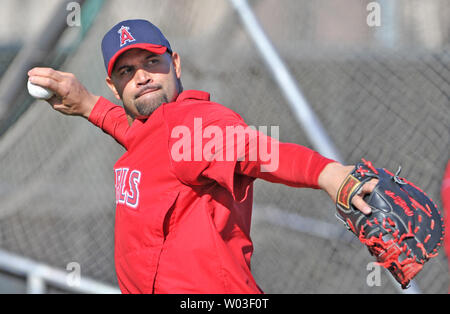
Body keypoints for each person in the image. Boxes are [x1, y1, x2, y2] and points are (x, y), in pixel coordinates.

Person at [27, 19, 376, 294]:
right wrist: (88, 104)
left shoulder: (195, 123)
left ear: (175, 63)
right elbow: (142, 138)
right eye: (126, 71)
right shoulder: (152, 132)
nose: (142, 76)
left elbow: (258, 150)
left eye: (152, 61)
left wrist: (326, 174)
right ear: (113, 86)